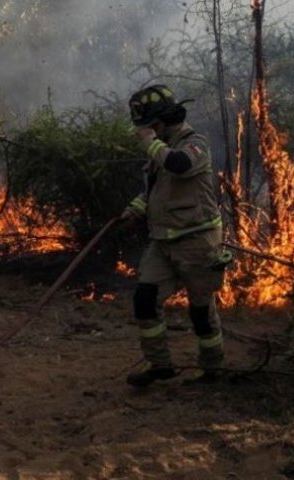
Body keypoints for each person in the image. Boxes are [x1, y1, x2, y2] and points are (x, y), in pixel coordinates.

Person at [120, 85, 231, 387]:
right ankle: (160, 365)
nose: (144, 131)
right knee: (145, 299)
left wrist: (150, 143)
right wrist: (135, 208)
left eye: (148, 125)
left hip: (197, 241)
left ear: (162, 121)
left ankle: (212, 368)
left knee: (200, 310)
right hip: (163, 242)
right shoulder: (162, 149)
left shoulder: (195, 144)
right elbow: (156, 189)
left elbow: (180, 166)